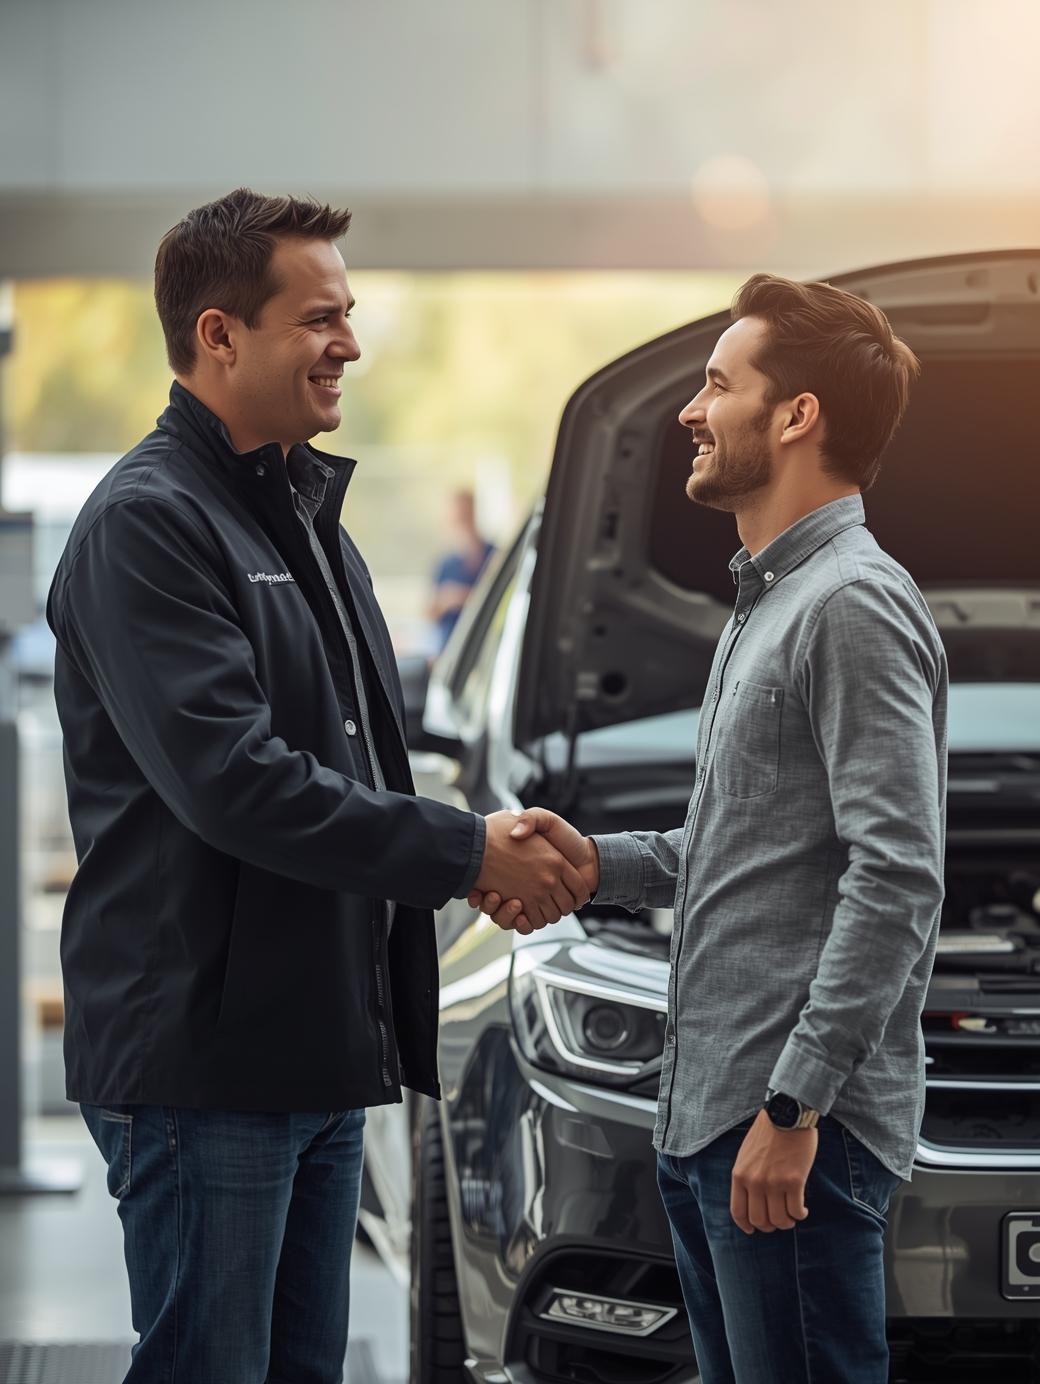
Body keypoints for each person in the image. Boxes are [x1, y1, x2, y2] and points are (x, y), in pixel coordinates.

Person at [46, 188, 592, 1384]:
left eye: (348, 313)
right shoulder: (147, 524)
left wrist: (471, 849)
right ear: (218, 335)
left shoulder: (305, 514)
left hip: (312, 1047)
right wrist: (464, 853)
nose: (348, 342)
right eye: (318, 317)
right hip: (203, 1064)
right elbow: (238, 783)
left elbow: (354, 762)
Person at [471, 274, 946, 1384]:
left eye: (716, 384)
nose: (689, 410)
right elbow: (744, 853)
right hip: (712, 1114)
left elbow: (896, 879)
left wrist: (795, 1102)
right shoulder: (770, 602)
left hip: (786, 1129)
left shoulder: (848, 604)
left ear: (795, 416)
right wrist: (595, 867)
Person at [427, 488, 495, 653]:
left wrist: (463, 597)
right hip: (451, 652)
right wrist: (445, 601)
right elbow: (430, 614)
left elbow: (498, 600)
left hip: (483, 649)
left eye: (465, 513)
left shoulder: (493, 556)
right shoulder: (446, 563)